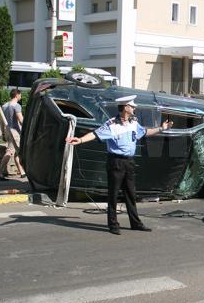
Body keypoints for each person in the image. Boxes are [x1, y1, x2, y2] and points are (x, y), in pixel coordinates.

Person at [66, 95, 173, 235]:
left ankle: (135, 223)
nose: (135, 108)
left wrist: (161, 128)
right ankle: (113, 224)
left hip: (129, 162)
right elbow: (95, 134)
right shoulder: (111, 125)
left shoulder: (134, 123)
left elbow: (145, 132)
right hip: (116, 161)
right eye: (132, 106)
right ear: (126, 108)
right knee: (113, 194)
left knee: (131, 194)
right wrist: (80, 140)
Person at [0, 89, 26, 180]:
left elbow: (1, 121)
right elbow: (21, 120)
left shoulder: (4, 106)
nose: (21, 97)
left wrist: (3, 133)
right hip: (14, 132)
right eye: (20, 95)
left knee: (16, 152)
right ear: (17, 95)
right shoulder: (17, 106)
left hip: (7, 130)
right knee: (10, 151)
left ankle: (22, 172)